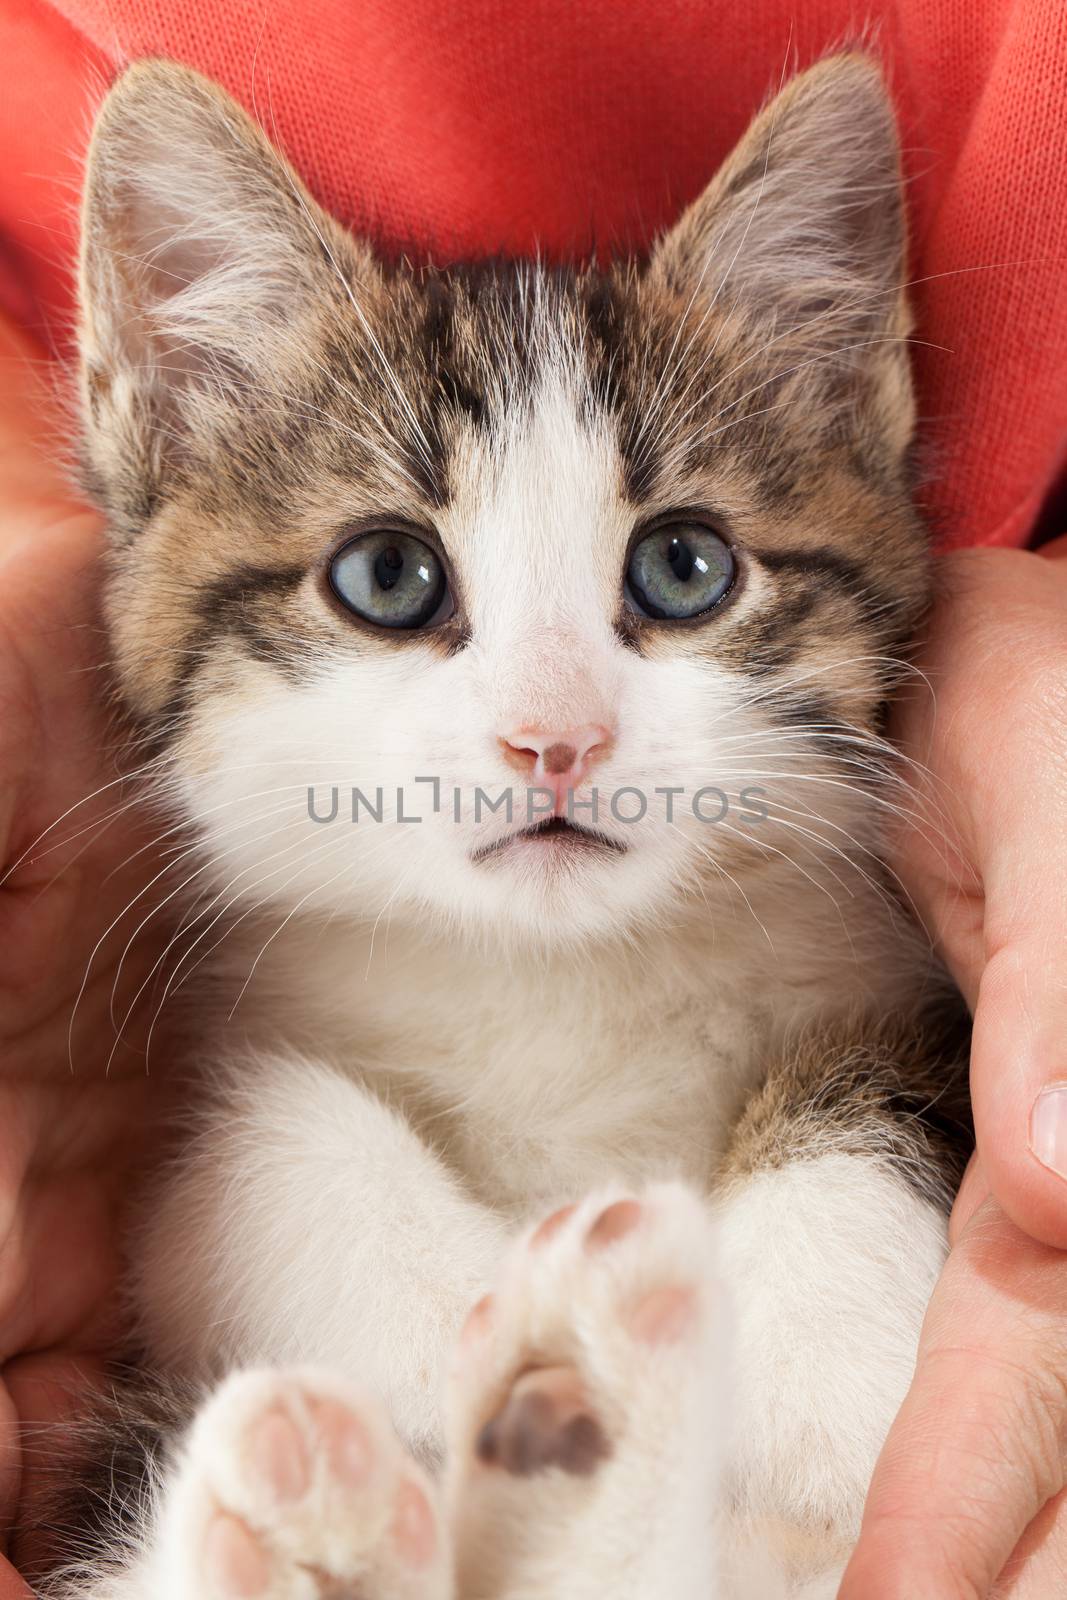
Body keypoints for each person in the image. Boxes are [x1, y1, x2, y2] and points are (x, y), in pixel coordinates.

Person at [1, 2, 1065, 1593]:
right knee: (280, 1159)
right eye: (392, 578)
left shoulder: (855, 959)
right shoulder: (248, 1103)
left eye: (680, 571)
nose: (550, 731)